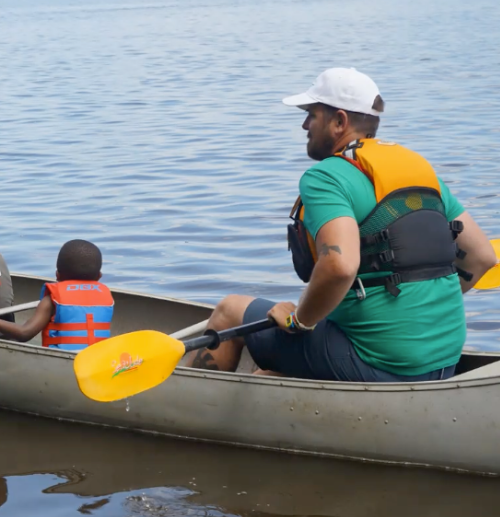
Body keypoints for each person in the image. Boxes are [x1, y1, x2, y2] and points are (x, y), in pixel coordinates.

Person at [184, 68, 497, 382]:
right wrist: (423, 309)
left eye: (311, 114)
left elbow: (339, 266)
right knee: (271, 370)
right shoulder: (419, 169)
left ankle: (186, 406)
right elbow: (482, 256)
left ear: (339, 122)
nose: (305, 125)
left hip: (382, 364)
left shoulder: (327, 177)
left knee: (229, 311)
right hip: (444, 359)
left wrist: (297, 322)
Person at [0, 239, 113, 350]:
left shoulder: (51, 300)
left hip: (66, 363)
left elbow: (24, 333)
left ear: (57, 275)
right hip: (98, 361)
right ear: (99, 276)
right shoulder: (105, 296)